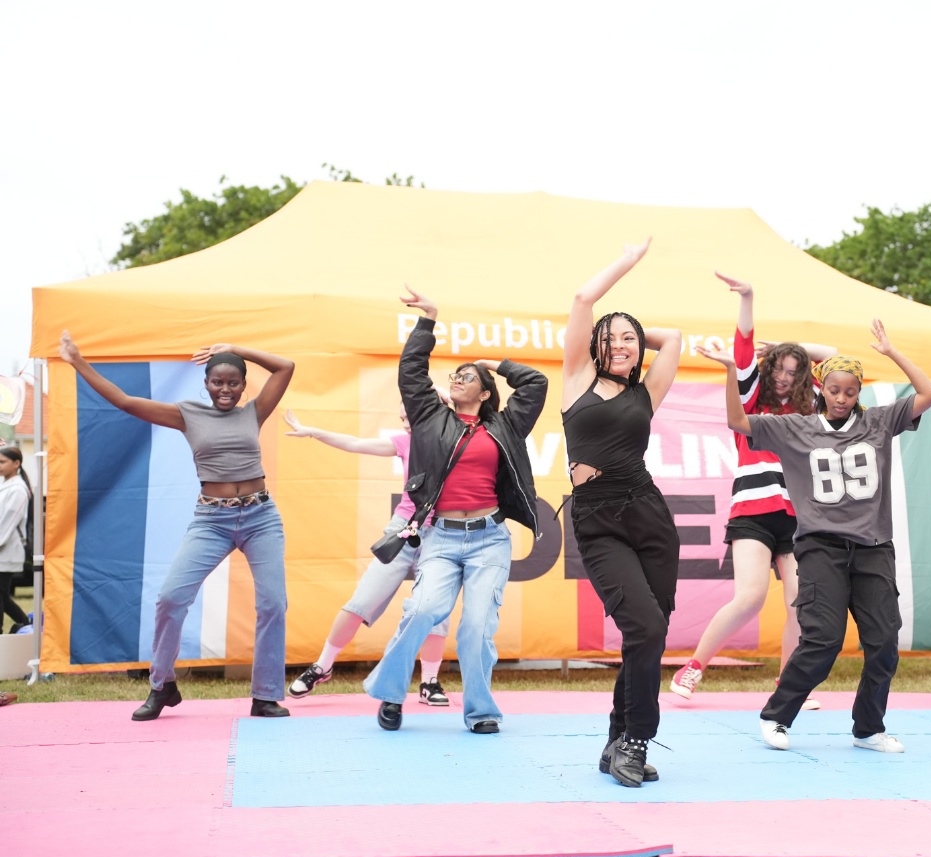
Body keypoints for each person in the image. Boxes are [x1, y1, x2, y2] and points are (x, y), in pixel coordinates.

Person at [58, 331, 295, 721]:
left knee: (273, 604)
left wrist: (233, 349)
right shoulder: (187, 414)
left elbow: (285, 367)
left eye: (233, 383)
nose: (225, 389)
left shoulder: (254, 411)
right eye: (217, 382)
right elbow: (125, 401)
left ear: (243, 386)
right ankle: (162, 685)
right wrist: (78, 362)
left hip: (260, 518)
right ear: (206, 383)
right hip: (212, 521)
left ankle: (265, 695)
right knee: (170, 598)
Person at [732, 320, 931, 754]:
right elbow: (736, 420)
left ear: (859, 392)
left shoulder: (879, 422)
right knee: (823, 640)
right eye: (834, 390)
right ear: (820, 389)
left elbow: (929, 394)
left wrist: (892, 352)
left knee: (883, 642)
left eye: (850, 391)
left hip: (873, 548)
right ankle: (775, 715)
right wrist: (728, 370)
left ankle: (868, 728)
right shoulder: (795, 427)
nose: (842, 398)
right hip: (821, 547)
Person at [363, 286, 546, 734]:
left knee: (476, 628)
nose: (458, 379)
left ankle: (481, 711)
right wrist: (428, 320)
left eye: (468, 376)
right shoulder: (429, 416)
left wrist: (494, 365)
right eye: (456, 375)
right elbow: (411, 370)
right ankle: (391, 693)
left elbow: (536, 383)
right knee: (422, 611)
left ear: (485, 392)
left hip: (489, 539)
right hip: (441, 538)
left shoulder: (506, 424)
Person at [670, 272, 836, 705]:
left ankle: (788, 684)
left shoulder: (809, 406)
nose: (784, 377)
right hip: (752, 513)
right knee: (750, 597)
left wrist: (788, 347)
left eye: (793, 371)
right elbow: (743, 345)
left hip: (797, 516)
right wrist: (748, 297)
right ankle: (693, 667)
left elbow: (832, 356)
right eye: (779, 368)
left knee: (801, 601)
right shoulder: (750, 399)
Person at [561, 240, 682, 788]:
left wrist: (632, 331)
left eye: (629, 339)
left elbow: (672, 339)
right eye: (609, 339)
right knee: (645, 625)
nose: (621, 345)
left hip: (649, 514)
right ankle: (637, 738)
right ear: (593, 344)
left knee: (649, 635)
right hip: (597, 519)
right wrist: (628, 264)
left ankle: (620, 741)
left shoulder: (646, 392)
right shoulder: (577, 379)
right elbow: (583, 298)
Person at [283, 402, 451, 705]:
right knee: (360, 603)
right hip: (404, 530)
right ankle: (322, 666)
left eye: (410, 414)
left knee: (435, 611)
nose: (405, 422)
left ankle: (430, 682)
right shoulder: (404, 442)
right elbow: (355, 443)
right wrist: (312, 432)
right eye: (401, 417)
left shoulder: (458, 439)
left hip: (442, 534)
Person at [0, 447, 32, 633]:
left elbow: (8, 524)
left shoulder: (18, 489)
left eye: (2, 462)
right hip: (3, 551)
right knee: (3, 597)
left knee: (1, 596)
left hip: (7, 551)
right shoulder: (6, 486)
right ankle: (28, 627)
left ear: (16, 464)